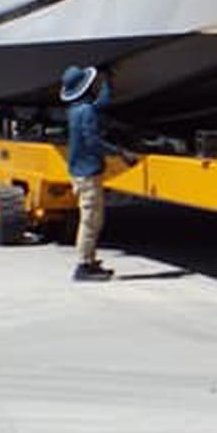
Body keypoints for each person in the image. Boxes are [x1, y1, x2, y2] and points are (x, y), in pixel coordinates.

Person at [61, 65, 134, 281]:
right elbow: (93, 141)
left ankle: (89, 261)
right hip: (87, 173)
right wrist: (120, 153)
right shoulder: (86, 111)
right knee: (90, 220)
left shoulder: (76, 110)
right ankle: (83, 266)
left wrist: (107, 84)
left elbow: (99, 105)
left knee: (93, 218)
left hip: (79, 171)